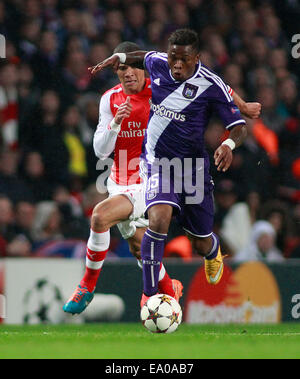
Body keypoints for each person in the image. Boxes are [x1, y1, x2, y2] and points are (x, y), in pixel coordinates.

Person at [89, 29, 255, 307]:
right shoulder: (158, 63)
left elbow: (238, 128)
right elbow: (142, 56)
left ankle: (212, 250)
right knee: (158, 220)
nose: (176, 65)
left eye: (184, 60)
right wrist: (116, 57)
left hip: (191, 168)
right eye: (173, 58)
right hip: (156, 164)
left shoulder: (210, 84)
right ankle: (150, 296)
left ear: (196, 58)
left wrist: (229, 145)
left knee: (199, 240)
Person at [63, 42, 183, 315]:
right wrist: (115, 123)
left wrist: (132, 55)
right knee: (140, 246)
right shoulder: (110, 99)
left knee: (99, 216)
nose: (127, 73)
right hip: (119, 180)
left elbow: (181, 63)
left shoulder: (162, 91)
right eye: (121, 68)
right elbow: (100, 151)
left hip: (153, 178)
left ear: (145, 67)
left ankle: (86, 286)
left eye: (133, 66)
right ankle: (167, 289)